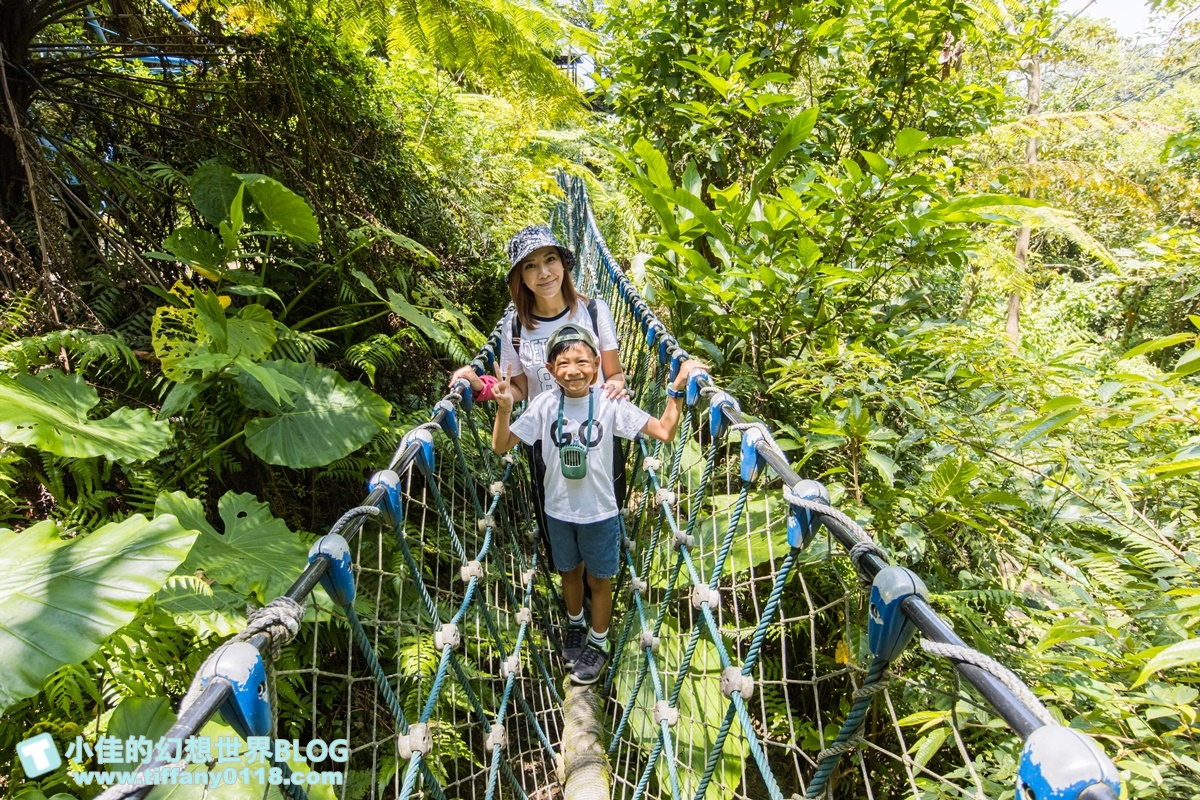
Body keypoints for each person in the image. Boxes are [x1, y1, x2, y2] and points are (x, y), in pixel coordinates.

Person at [491, 322, 706, 685]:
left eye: (582, 361)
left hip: (601, 512)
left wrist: (676, 389)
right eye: (562, 364)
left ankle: (599, 642)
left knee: (599, 580)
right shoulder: (544, 404)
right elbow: (502, 445)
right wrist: (504, 408)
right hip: (557, 511)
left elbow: (664, 432)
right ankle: (576, 624)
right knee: (569, 573)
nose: (572, 371)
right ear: (549, 370)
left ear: (596, 363)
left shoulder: (609, 403)